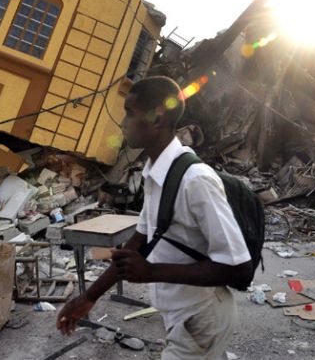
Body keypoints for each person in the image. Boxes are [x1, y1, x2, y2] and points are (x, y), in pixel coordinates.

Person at [56, 76, 252, 359]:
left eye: (130, 113)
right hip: (183, 319)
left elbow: (239, 268)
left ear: (157, 118)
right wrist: (89, 296)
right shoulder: (156, 174)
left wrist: (152, 272)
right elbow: (136, 245)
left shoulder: (195, 180)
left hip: (201, 322)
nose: (123, 123)